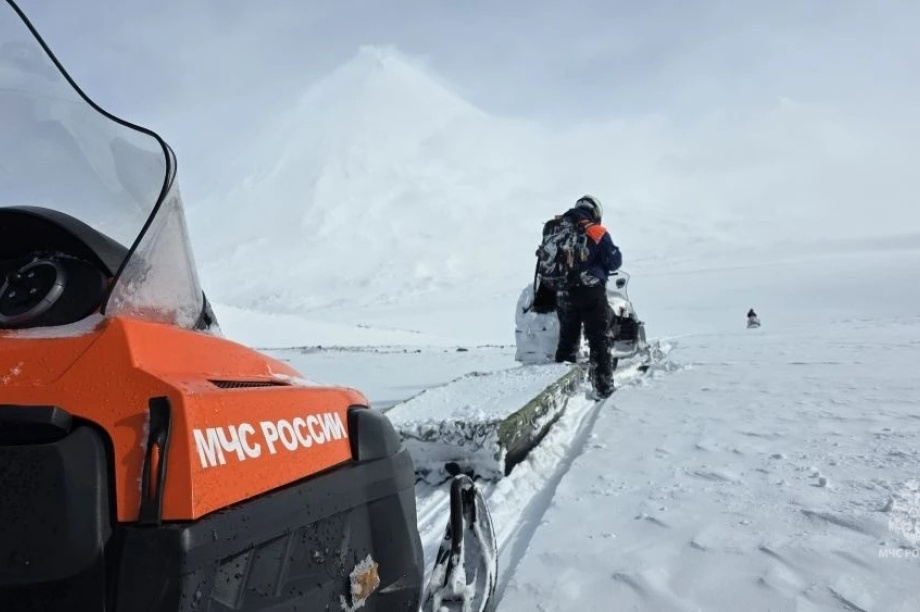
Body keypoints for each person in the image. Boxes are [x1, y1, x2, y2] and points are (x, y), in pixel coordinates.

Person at [553, 195, 622, 398]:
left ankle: (560, 391)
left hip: (563, 291)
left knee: (567, 342)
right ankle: (602, 387)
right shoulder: (596, 230)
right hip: (590, 290)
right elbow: (615, 261)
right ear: (595, 212)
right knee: (598, 339)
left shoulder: (558, 229)